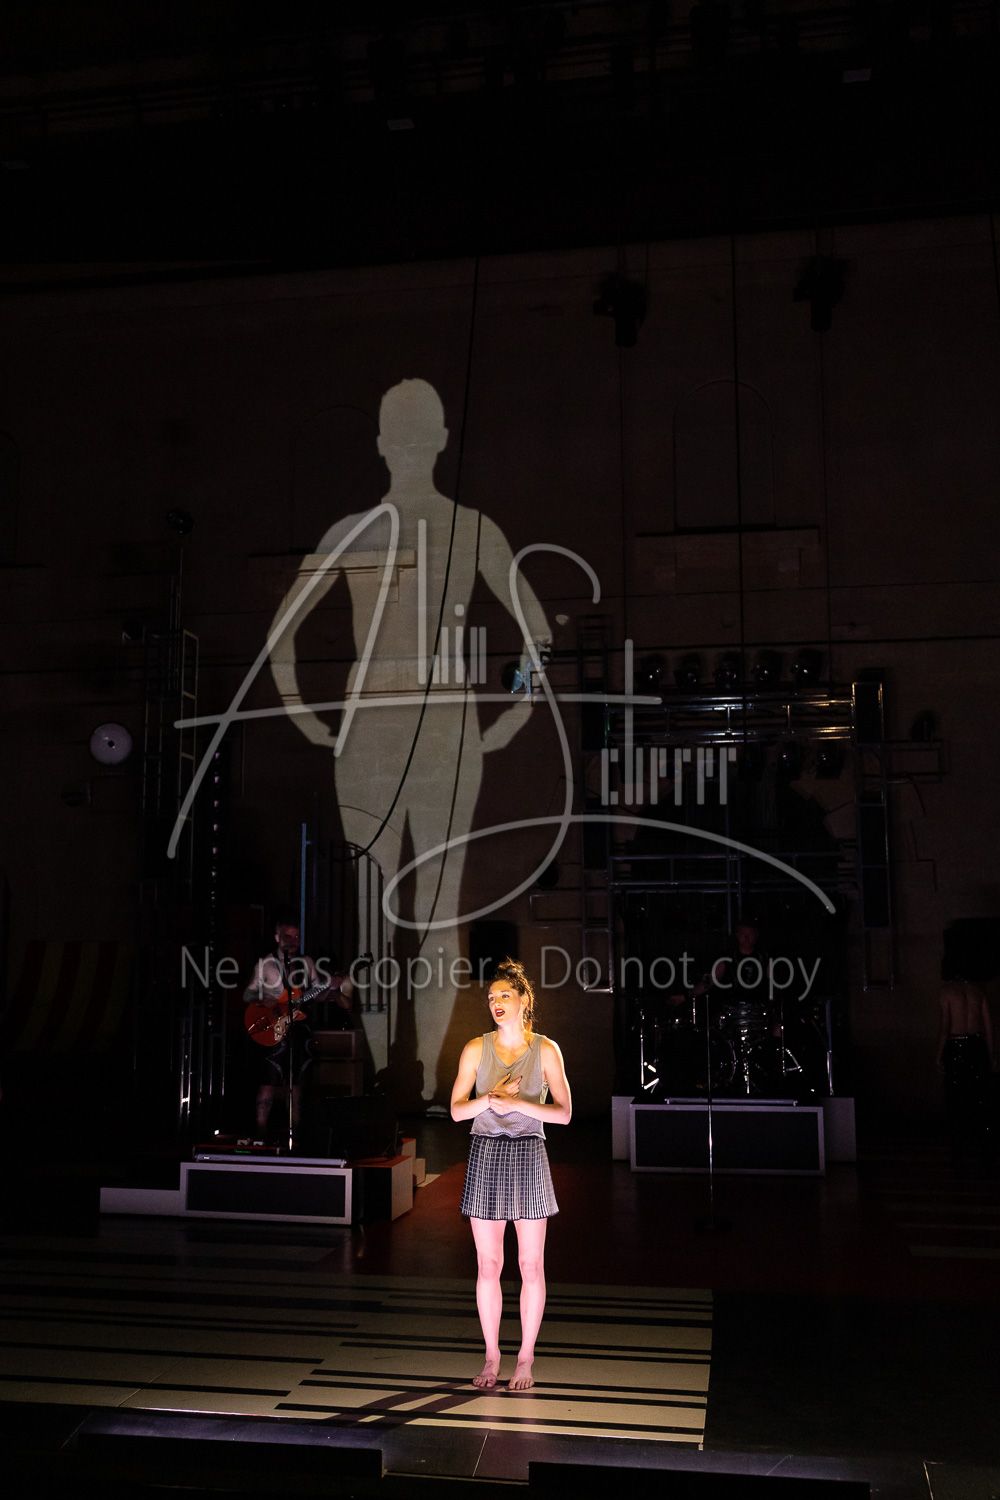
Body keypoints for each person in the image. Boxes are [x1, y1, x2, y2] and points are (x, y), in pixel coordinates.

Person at [269, 379, 551, 1102]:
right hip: (425, 727)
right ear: (441, 440)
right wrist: (514, 713)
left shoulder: (367, 530)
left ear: (383, 443)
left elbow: (282, 635)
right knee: (429, 912)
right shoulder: (461, 528)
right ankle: (414, 1080)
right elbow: (538, 634)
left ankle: (402, 1078)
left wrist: (307, 714)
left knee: (395, 912)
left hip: (395, 725)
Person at [450, 958, 571, 1393]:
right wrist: (491, 1098)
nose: (496, 1002)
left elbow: (564, 1113)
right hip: (485, 1152)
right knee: (489, 1264)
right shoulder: (475, 1048)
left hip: (528, 1153)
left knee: (530, 1264)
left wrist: (517, 1104)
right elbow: (456, 1110)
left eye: (504, 995)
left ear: (524, 1000)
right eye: (491, 997)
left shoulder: (546, 1049)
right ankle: (491, 1356)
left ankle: (525, 1358)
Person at [243, 913, 351, 1136]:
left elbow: (315, 993)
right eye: (288, 936)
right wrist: (265, 999)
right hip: (272, 1029)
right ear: (277, 937)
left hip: (298, 1030)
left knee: (296, 1085)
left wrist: (331, 988)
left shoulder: (306, 963)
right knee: (268, 1082)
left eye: (297, 936)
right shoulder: (265, 964)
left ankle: (295, 1134)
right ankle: (260, 1133)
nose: (293, 941)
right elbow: (247, 994)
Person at [936, 974, 994, 1162]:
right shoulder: (979, 992)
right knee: (979, 1097)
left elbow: (945, 1027)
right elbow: (989, 1028)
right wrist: (991, 1055)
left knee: (956, 1097)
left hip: (956, 1046)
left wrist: (939, 1055)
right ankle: (983, 1146)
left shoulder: (947, 992)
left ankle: (959, 1147)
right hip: (977, 1046)